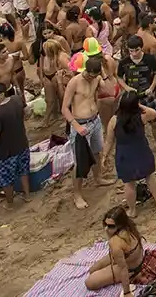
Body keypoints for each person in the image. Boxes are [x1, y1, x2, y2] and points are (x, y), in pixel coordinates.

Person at [62, 56, 112, 209]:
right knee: (80, 163)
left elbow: (110, 91)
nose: (91, 78)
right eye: (90, 75)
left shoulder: (97, 79)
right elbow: (64, 108)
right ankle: (77, 194)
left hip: (94, 120)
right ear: (85, 70)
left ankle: (98, 178)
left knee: (97, 152)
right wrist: (76, 126)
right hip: (80, 124)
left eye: (94, 75)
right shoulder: (74, 82)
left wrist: (103, 75)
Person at [105, 91, 156, 215]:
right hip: (141, 150)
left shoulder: (114, 120)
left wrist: (104, 156)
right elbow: (154, 113)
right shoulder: (142, 116)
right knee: (150, 176)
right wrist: (139, 106)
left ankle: (132, 210)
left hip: (124, 154)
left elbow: (109, 141)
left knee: (129, 183)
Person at [85, 206, 156, 294]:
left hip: (131, 269)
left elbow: (123, 269)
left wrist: (126, 292)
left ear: (120, 225)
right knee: (92, 269)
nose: (106, 229)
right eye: (105, 224)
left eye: (110, 226)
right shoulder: (129, 226)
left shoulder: (115, 242)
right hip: (134, 258)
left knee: (90, 283)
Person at [0, 83, 31, 206]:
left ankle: (10, 203)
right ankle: (27, 195)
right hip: (22, 144)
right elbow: (26, 112)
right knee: (23, 171)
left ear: (2, 95)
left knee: (5, 179)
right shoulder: (16, 99)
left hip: (6, 151)